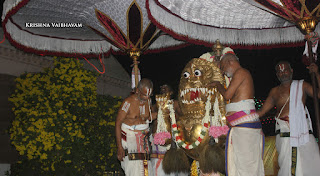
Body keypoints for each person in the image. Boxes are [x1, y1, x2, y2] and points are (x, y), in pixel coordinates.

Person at [207, 47, 265, 176]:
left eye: (222, 68)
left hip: (245, 129)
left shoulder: (241, 72)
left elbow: (227, 95)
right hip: (241, 129)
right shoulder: (239, 75)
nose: (223, 72)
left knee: (246, 167)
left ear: (230, 62)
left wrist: (217, 84)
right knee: (239, 166)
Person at [257, 61, 320, 176]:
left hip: (303, 133)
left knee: (311, 162)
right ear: (277, 75)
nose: (283, 73)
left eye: (285, 70)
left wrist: (317, 74)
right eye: (280, 72)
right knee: (287, 166)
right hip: (284, 134)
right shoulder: (274, 91)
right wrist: (243, 116)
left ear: (291, 71)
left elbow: (319, 94)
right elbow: (261, 112)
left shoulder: (302, 85)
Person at [115, 78, 156, 176]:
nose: (147, 98)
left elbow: (148, 117)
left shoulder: (148, 101)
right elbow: (118, 124)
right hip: (130, 141)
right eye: (144, 95)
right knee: (134, 171)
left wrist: (161, 113)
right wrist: (119, 147)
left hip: (144, 142)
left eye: (149, 95)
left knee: (147, 171)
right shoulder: (127, 103)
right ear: (137, 91)